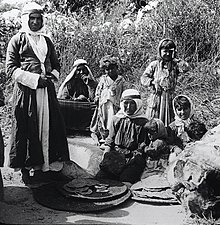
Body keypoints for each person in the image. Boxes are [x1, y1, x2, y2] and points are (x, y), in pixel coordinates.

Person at [5, 2, 70, 184]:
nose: (35, 22)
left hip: (46, 92)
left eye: (38, 19)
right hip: (26, 93)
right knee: (26, 127)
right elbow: (10, 68)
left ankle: (46, 167)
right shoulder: (17, 40)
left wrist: (50, 77)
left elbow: (56, 65)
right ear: (26, 20)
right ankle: (26, 169)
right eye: (31, 19)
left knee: (49, 126)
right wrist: (34, 80)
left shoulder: (46, 40)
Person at [96, 89, 150, 185]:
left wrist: (132, 159)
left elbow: (142, 146)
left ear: (138, 105)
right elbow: (110, 141)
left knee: (125, 181)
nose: (128, 107)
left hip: (134, 158)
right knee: (101, 179)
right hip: (116, 156)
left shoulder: (143, 122)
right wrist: (105, 158)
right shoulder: (116, 119)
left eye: (132, 104)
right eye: (126, 103)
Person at [140, 38, 189, 127]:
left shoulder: (175, 65)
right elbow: (143, 78)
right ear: (160, 51)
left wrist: (177, 58)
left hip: (170, 97)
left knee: (170, 120)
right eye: (165, 51)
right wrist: (153, 82)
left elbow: (185, 68)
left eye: (170, 51)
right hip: (157, 97)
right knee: (153, 121)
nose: (167, 54)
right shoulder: (154, 65)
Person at [90, 55, 125, 145]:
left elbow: (124, 92)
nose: (110, 71)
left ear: (117, 68)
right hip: (104, 104)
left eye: (112, 68)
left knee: (113, 120)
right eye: (107, 69)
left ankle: (113, 137)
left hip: (115, 105)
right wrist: (97, 97)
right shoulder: (103, 79)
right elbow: (99, 90)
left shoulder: (120, 80)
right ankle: (104, 137)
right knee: (104, 120)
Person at [167, 94, 207, 162]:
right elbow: (167, 143)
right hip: (179, 155)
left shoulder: (197, 124)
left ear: (190, 108)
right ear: (175, 110)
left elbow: (205, 139)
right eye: (179, 109)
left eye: (185, 109)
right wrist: (174, 148)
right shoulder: (172, 127)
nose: (182, 112)